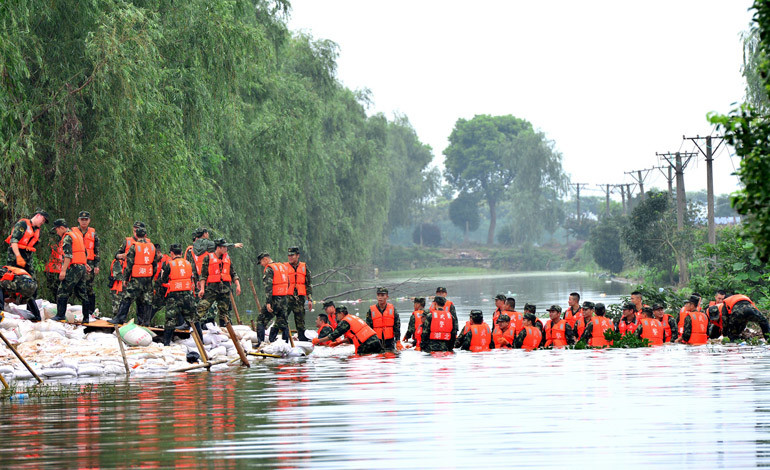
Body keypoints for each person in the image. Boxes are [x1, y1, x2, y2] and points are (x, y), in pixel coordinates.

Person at [110, 223, 156, 325]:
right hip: (147, 278)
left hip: (136, 278)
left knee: (127, 298)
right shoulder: (152, 247)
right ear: (145, 235)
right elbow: (155, 264)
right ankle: (145, 321)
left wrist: (125, 279)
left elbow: (129, 265)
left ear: (137, 234)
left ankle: (120, 318)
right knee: (146, 299)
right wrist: (151, 276)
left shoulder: (134, 247)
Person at [49, 219, 89, 323]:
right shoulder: (77, 235)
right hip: (82, 267)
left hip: (74, 268)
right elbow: (83, 252)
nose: (57, 233)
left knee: (62, 291)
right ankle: (86, 318)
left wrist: (63, 271)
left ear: (61, 228)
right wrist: (85, 264)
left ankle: (60, 315)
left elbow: (68, 255)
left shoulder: (67, 237)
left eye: (57, 230)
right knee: (82, 293)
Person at [196, 238, 241, 327]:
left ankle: (225, 331)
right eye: (224, 247)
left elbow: (233, 273)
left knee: (224, 312)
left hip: (225, 289)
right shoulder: (208, 258)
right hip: (212, 288)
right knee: (201, 307)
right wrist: (202, 289)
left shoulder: (227, 258)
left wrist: (238, 285)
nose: (226, 249)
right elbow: (203, 275)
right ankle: (192, 325)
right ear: (218, 248)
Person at [157, 244, 196, 346]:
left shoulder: (170, 264)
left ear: (172, 253)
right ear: (182, 253)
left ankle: (166, 344)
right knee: (193, 319)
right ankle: (200, 341)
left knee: (170, 320)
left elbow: (163, 280)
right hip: (187, 296)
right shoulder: (188, 263)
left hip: (174, 296)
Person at [316, 306, 384, 355]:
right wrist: (339, 342)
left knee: (358, 358)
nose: (336, 317)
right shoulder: (353, 317)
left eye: (337, 314)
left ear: (341, 313)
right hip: (376, 341)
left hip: (366, 344)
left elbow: (333, 336)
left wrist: (318, 341)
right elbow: (354, 336)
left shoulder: (345, 321)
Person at [71, 211, 100, 325]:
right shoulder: (73, 232)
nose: (84, 221)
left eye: (86, 219)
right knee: (74, 286)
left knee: (89, 288)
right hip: (76, 262)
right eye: (82, 219)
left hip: (90, 263)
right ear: (78, 220)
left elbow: (97, 250)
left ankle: (90, 312)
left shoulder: (93, 233)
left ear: (89, 220)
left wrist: (96, 265)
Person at [257, 252, 290, 343]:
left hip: (274, 299)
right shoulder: (282, 267)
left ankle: (261, 343)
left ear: (265, 259)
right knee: (283, 322)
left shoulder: (269, 269)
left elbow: (268, 287)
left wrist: (268, 302)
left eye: (261, 262)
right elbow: (288, 283)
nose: (262, 265)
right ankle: (285, 344)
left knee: (261, 320)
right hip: (284, 299)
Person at [285, 246, 312, 342]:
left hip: (299, 298)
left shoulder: (304, 267)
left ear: (298, 256)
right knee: (283, 317)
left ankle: (302, 337)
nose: (290, 257)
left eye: (292, 255)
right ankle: (282, 337)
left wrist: (309, 299)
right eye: (289, 255)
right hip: (287, 297)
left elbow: (308, 284)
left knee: (300, 319)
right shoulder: (284, 267)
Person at [366, 287, 400, 351]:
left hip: (390, 343)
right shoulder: (371, 310)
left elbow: (397, 326)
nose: (380, 297)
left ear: (387, 296)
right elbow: (368, 328)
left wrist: (398, 341)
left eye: (382, 295)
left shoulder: (392, 309)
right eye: (378, 295)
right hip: (376, 342)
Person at [43, 235, 62, 301]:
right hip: (51, 269)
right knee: (54, 290)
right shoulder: (54, 245)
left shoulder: (54, 245)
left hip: (56, 270)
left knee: (54, 290)